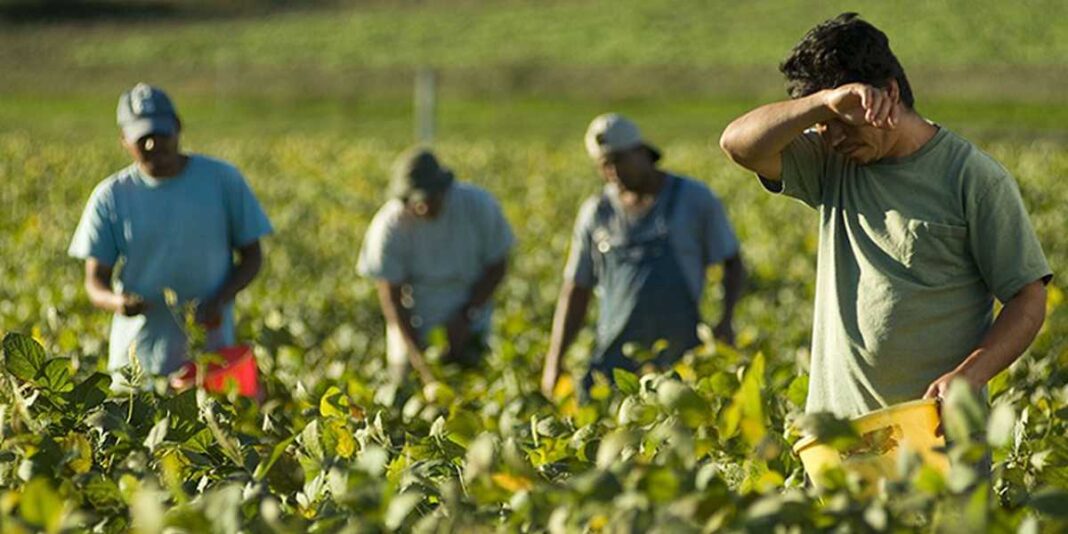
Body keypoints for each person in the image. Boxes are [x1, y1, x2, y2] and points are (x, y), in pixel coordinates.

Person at [719, 13, 1052, 418]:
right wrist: (823, 104)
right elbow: (738, 145)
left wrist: (970, 375)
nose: (834, 136)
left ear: (889, 93)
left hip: (935, 432)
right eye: (824, 125)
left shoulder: (972, 177)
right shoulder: (831, 164)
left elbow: (1028, 296)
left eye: (843, 122)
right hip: (841, 437)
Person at [69, 83, 273, 379]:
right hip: (137, 360)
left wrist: (220, 298)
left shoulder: (221, 180)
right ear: (123, 140)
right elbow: (95, 282)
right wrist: (119, 303)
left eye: (160, 134)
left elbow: (252, 256)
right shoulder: (111, 196)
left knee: (212, 420)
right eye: (143, 137)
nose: (153, 145)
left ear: (177, 128)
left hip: (210, 355)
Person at [541, 113, 745, 397]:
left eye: (619, 161)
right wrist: (555, 360)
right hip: (616, 360)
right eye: (604, 166)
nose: (613, 172)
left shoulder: (693, 199)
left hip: (681, 355)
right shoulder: (596, 212)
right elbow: (576, 289)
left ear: (642, 152)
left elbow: (732, 262)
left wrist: (726, 320)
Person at [358, 147, 514, 385]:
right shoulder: (390, 226)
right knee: (406, 398)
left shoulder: (477, 206)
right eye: (415, 201)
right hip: (412, 333)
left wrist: (466, 316)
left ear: (444, 189)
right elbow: (391, 298)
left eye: (429, 199)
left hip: (471, 327)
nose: (423, 207)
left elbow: (498, 264)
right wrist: (419, 358)